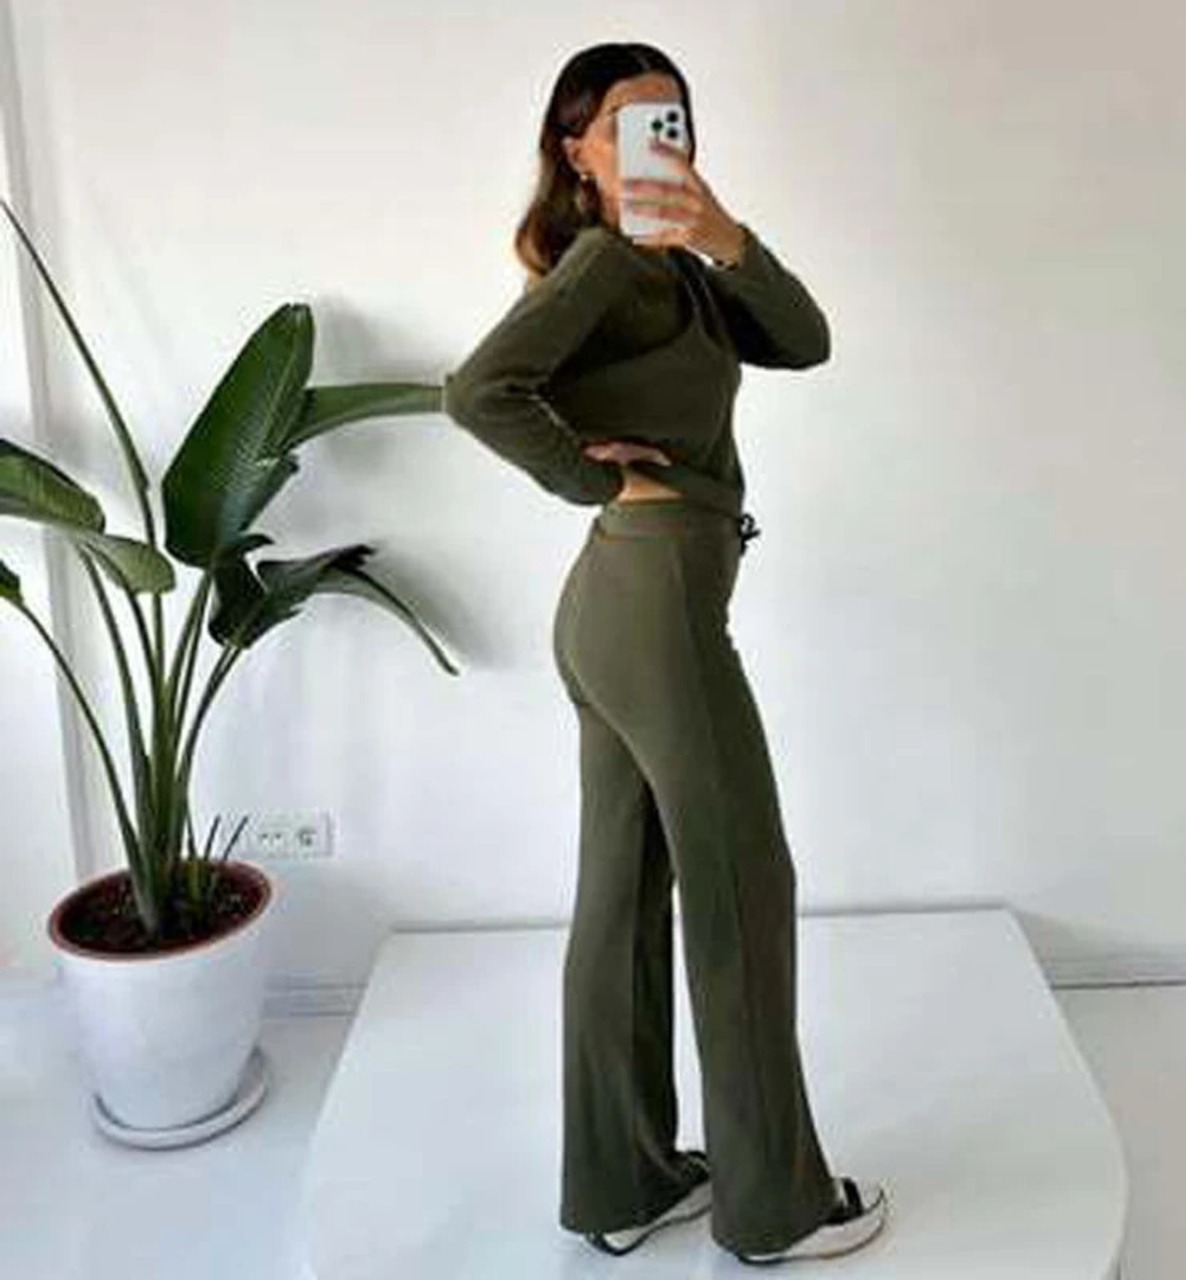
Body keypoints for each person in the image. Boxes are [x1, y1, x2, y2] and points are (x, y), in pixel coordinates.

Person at [442, 41, 890, 1265]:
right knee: (742, 886)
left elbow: (804, 339)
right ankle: (775, 1204)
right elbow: (477, 391)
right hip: (654, 603)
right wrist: (585, 471)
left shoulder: (675, 268)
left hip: (620, 606)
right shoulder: (600, 262)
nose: (664, 141)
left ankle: (624, 1177)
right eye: (633, 124)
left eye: (675, 121)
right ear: (577, 150)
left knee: (626, 895)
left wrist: (724, 235)